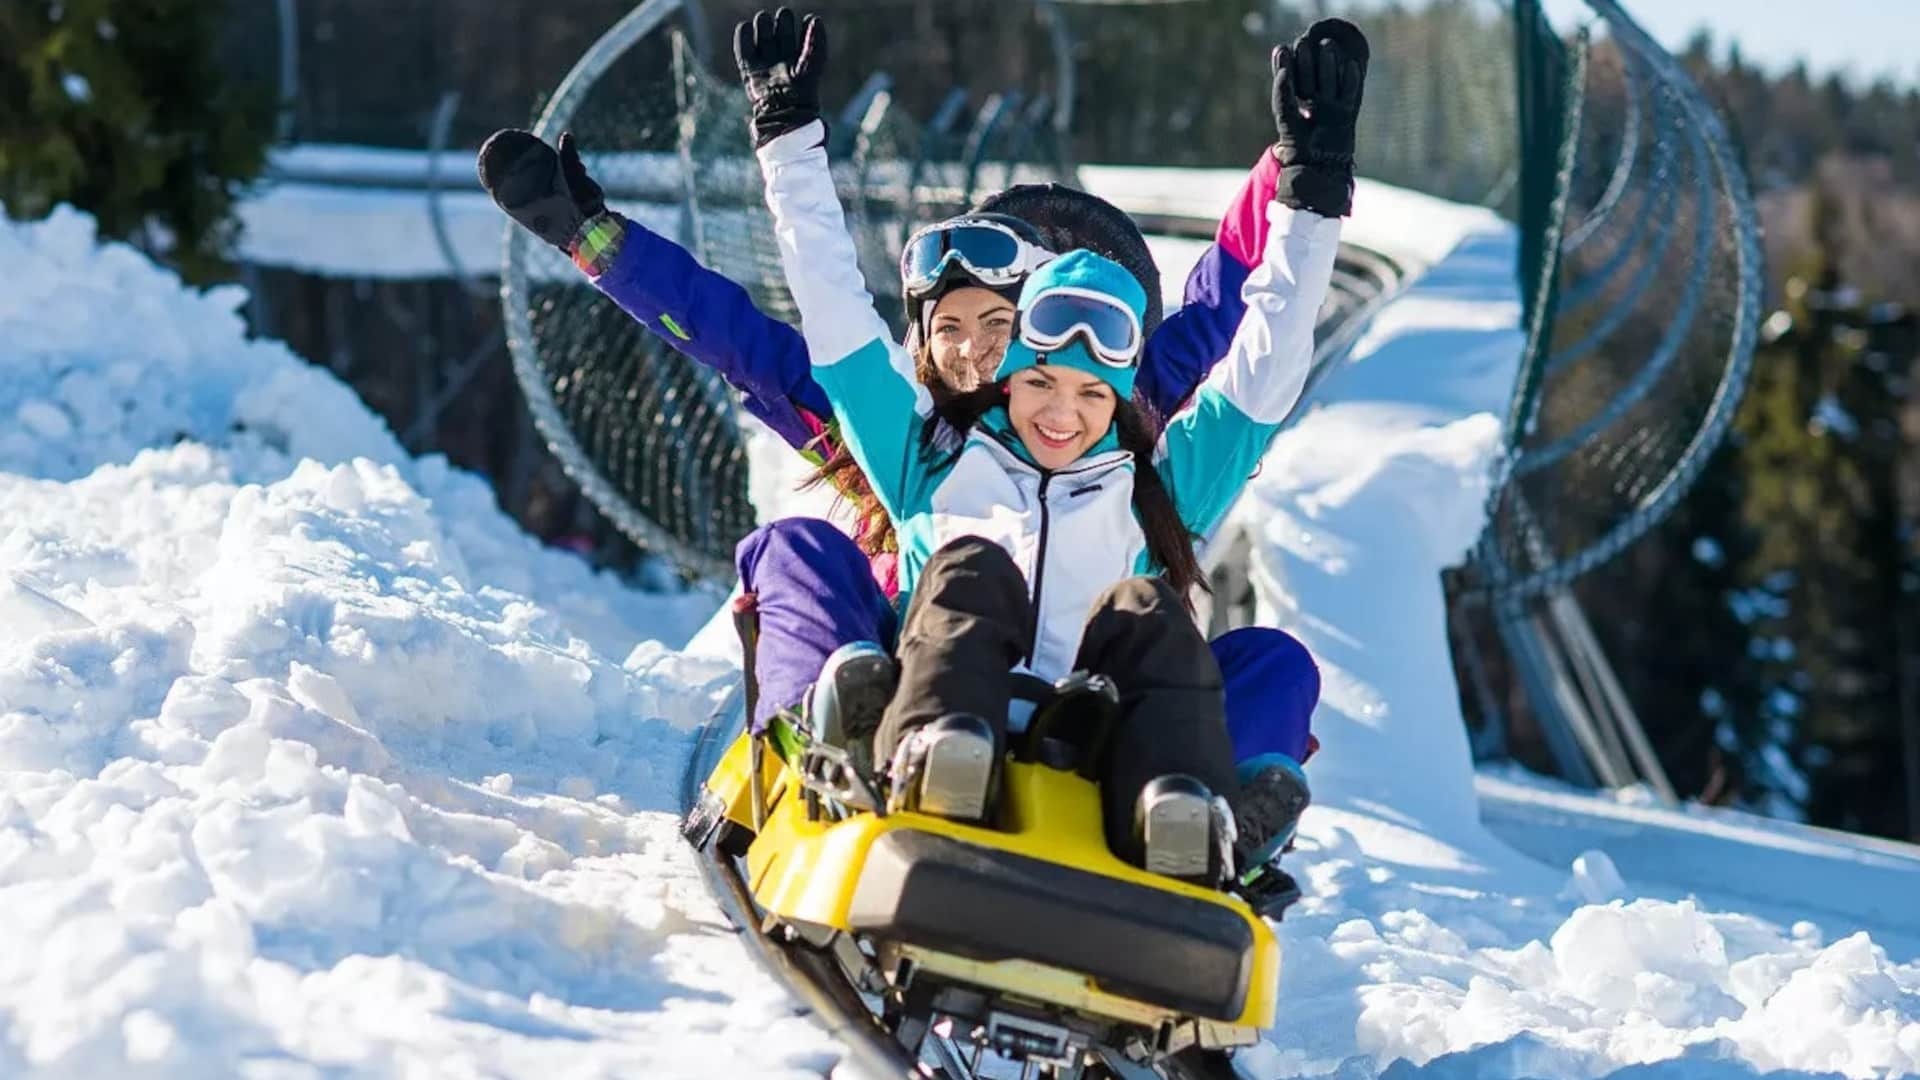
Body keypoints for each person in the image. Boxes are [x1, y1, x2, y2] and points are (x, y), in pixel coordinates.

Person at [475, 59, 1325, 861]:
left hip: (1099, 690)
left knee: (1266, 660)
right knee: (811, 553)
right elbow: (733, 335)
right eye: (948, 331)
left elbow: (1228, 298)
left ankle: (1209, 815)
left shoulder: (1121, 420)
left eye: (999, 328)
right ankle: (830, 724)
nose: (971, 354)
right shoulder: (902, 436)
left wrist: (1301, 158)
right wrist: (595, 241)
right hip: (916, 668)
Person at [737, 7, 1365, 884]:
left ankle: (1189, 815)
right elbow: (837, 311)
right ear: (1007, 379)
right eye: (1038, 385)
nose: (1061, 413)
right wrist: (787, 144)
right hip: (942, 706)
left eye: (1089, 395)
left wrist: (1313, 196)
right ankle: (912, 749)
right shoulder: (931, 455)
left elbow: (1264, 365)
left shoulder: (1161, 486)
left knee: (1197, 629)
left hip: (1103, 734)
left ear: (1119, 397)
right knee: (964, 567)